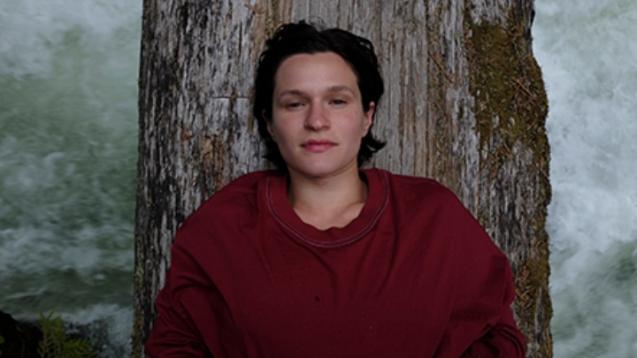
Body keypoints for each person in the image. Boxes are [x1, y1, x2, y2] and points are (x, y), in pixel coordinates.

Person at [145, 21, 526, 357]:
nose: (316, 120)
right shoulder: (220, 230)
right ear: (269, 122)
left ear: (367, 116)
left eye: (337, 101)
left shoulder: (433, 218)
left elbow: (496, 338)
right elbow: (175, 345)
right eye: (295, 104)